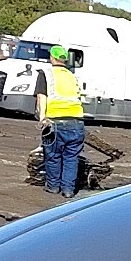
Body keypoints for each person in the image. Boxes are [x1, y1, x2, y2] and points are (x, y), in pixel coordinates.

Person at [35, 45, 85, 198]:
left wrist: (42, 117)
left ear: (52, 57)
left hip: (54, 121)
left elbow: (41, 96)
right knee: (71, 157)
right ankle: (68, 190)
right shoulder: (72, 76)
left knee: (53, 156)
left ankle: (53, 186)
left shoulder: (46, 74)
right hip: (76, 122)